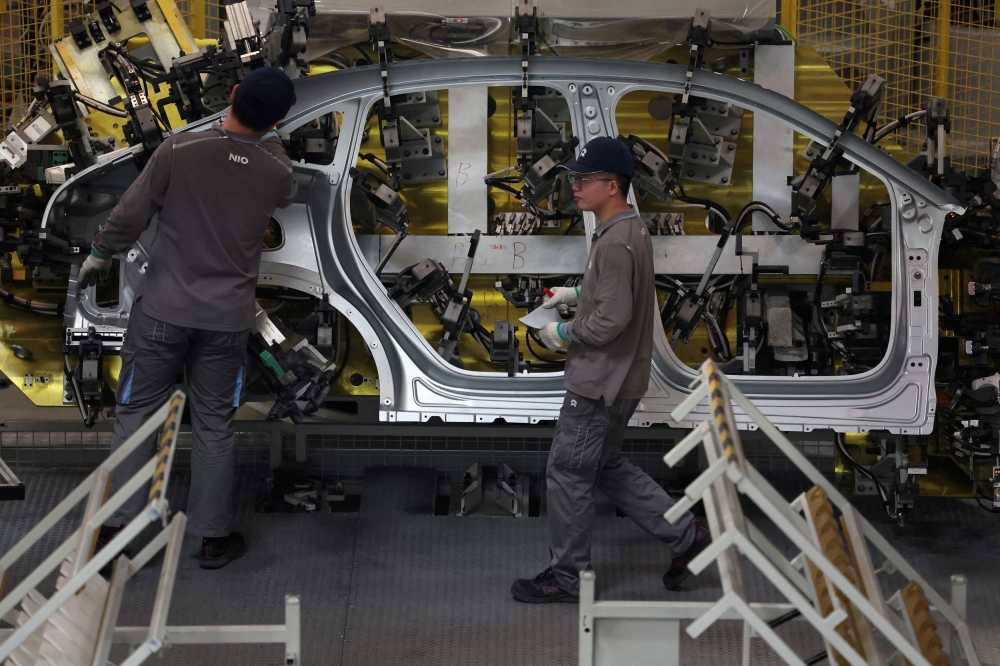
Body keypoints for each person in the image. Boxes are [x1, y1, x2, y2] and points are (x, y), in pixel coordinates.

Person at [78, 67, 299, 569]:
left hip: (161, 315)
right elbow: (282, 177)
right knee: (215, 425)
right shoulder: (275, 173)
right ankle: (212, 538)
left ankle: (120, 540)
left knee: (136, 418)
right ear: (278, 119)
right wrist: (274, 138)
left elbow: (130, 214)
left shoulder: (178, 151)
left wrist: (98, 254)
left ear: (235, 94)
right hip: (226, 322)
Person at [510, 137, 709, 603]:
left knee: (568, 474)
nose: (575, 186)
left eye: (584, 179)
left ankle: (569, 578)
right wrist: (575, 295)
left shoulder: (615, 240)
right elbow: (621, 292)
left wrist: (561, 334)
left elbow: (610, 321)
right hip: (623, 382)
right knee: (605, 467)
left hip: (598, 384)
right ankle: (687, 535)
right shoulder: (630, 229)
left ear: (613, 185)